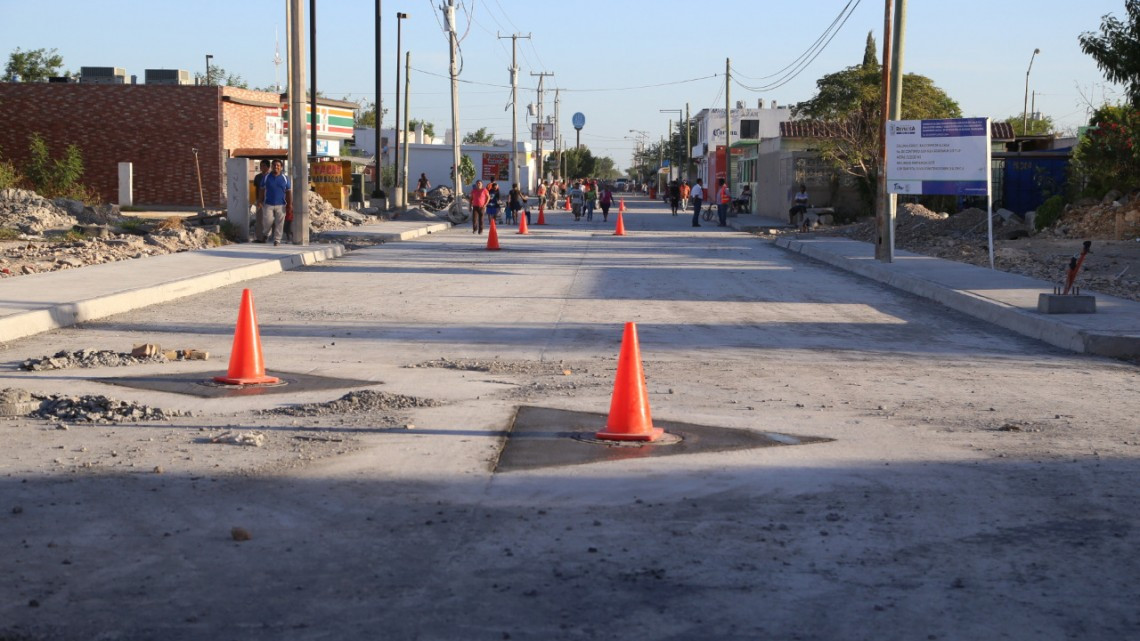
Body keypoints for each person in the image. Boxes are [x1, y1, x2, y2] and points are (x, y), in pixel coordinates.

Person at [258, 159, 292, 246]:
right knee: (268, 221)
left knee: (280, 223)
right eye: (274, 165)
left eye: (278, 165)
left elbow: (288, 192)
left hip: (281, 204)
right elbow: (262, 190)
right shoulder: (266, 177)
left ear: (281, 167)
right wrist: (260, 201)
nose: (276, 167)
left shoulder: (285, 178)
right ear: (272, 167)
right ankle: (266, 234)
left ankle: (277, 240)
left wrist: (290, 204)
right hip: (268, 204)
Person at [252, 159, 271, 242]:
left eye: (264, 166)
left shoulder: (272, 177)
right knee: (259, 220)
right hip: (260, 201)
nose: (262, 167)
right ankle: (260, 237)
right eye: (261, 166)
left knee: (269, 220)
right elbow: (257, 189)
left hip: (270, 201)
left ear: (268, 167)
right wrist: (257, 200)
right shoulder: (258, 177)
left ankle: (269, 236)